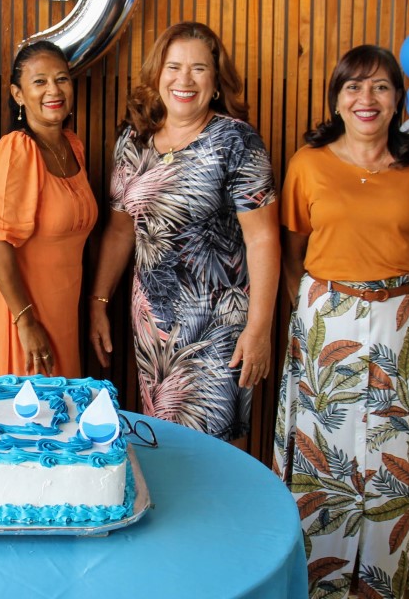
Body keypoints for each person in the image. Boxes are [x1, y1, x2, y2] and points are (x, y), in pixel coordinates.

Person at [273, 45, 409, 597]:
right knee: (325, 455)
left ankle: (394, 582)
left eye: (380, 86)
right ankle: (318, 582)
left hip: (406, 321)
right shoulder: (309, 164)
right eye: (353, 86)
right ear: (336, 99)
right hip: (327, 322)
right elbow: (292, 253)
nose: (366, 98)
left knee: (398, 456)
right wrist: (315, 315)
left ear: (398, 98)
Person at [89, 22, 279, 442]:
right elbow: (120, 231)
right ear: (158, 75)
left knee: (214, 452)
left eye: (199, 68)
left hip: (218, 328)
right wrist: (99, 301)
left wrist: (259, 330)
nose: (184, 80)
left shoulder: (236, 141)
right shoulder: (134, 140)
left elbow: (263, 238)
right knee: (164, 444)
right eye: (174, 67)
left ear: (216, 81)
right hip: (153, 328)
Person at [0, 41, 97, 377]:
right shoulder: (16, 150)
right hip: (19, 315)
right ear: (18, 94)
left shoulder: (73, 146)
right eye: (39, 81)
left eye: (62, 79)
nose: (53, 90)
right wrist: (25, 321)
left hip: (61, 314)